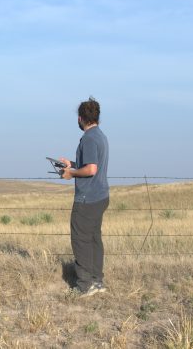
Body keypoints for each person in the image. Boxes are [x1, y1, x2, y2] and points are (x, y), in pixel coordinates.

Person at [60, 97, 109, 297]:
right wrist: (72, 164)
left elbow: (90, 169)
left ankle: (84, 285)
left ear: (81, 118)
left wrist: (71, 173)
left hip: (87, 198)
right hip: (100, 195)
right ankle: (97, 281)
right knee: (94, 239)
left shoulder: (88, 138)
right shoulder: (100, 136)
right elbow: (90, 164)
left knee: (80, 240)